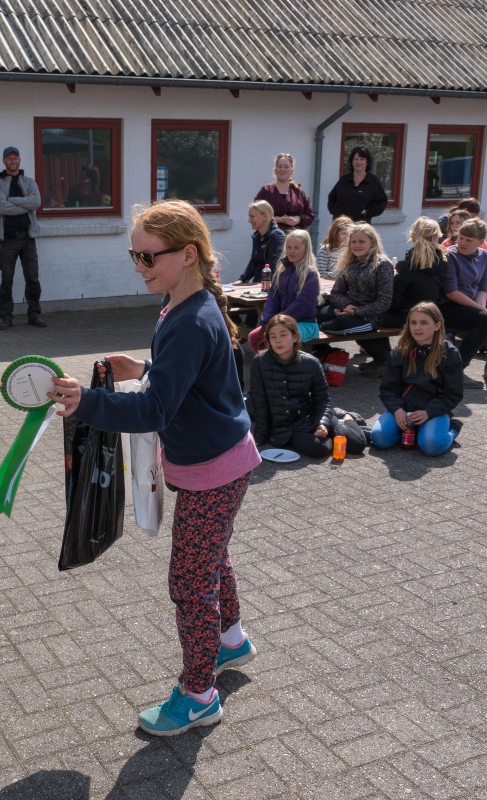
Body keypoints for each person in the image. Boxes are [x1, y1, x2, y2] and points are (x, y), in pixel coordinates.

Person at [48, 199, 260, 737]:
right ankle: (230, 642)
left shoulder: (190, 318)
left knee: (190, 582)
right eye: (134, 256)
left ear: (187, 255)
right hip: (218, 461)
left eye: (148, 257)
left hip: (214, 469)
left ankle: (199, 696)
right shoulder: (184, 304)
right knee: (212, 558)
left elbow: (154, 410)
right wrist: (145, 367)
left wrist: (86, 402)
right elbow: (189, 379)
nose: (139, 267)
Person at [248, 315, 364, 457]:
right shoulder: (259, 362)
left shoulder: (311, 363)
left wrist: (322, 423)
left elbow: (322, 398)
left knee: (357, 444)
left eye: (283, 335)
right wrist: (260, 434)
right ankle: (331, 427)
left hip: (309, 415)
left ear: (295, 337)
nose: (278, 340)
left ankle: (346, 416)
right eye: (273, 336)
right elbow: (259, 401)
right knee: (320, 448)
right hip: (283, 424)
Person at [370, 302, 464, 456]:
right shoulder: (400, 350)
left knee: (431, 446)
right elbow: (388, 388)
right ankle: (411, 432)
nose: (417, 328)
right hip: (403, 409)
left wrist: (429, 412)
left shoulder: (450, 353)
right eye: (413, 323)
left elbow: (452, 393)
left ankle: (453, 429)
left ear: (437, 325)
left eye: (424, 323)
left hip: (432, 411)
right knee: (379, 438)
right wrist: (397, 409)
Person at [441, 218, 487, 387]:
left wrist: (481, 308)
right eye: (461, 238)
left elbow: (482, 287)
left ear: (480, 242)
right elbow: (451, 292)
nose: (462, 243)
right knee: (485, 320)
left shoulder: (483, 256)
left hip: (472, 303)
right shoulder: (450, 255)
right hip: (449, 304)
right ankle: (456, 370)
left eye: (468, 240)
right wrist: (481, 311)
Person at [318, 222, 394, 376]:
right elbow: (336, 292)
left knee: (340, 323)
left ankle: (384, 361)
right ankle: (324, 352)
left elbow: (384, 301)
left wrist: (356, 312)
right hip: (349, 309)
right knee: (316, 314)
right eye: (353, 242)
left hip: (370, 316)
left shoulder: (382, 264)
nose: (357, 246)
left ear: (372, 242)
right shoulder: (349, 262)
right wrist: (346, 305)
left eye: (361, 241)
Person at [0, 145, 45, 329]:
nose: (12, 160)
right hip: (8, 239)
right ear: (4, 161)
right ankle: (6, 317)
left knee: (33, 277)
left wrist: (11, 200)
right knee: (7, 279)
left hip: (28, 237)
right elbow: (2, 208)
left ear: (19, 160)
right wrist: (25, 204)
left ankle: (34, 314)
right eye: (9, 158)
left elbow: (36, 202)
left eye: (15, 157)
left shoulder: (29, 182)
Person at [246, 229, 319, 352]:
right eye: (289, 247)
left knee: (279, 338)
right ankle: (265, 362)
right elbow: (272, 298)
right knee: (254, 336)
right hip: (280, 322)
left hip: (305, 323)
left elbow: (303, 304)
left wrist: (280, 322)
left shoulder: (310, 273)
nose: (292, 251)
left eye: (296, 248)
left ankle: (282, 363)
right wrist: (267, 321)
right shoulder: (282, 271)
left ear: (306, 249)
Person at [386, 217, 448, 329]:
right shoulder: (444, 262)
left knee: (373, 319)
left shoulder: (406, 266)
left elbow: (394, 301)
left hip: (409, 316)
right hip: (434, 313)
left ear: (413, 237)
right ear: (435, 237)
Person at [326, 145, 388, 224]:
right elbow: (332, 197)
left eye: (362, 159)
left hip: (361, 226)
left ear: (367, 162)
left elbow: (382, 202)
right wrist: (336, 212)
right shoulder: (344, 179)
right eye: (356, 159)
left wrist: (368, 212)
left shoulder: (373, 181)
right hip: (341, 225)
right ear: (352, 161)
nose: (359, 162)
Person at [254, 153, 315, 232]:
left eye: (286, 167)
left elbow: (309, 215)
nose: (282, 169)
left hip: (295, 237)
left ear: (292, 170)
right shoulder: (266, 191)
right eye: (279, 166)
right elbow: (255, 214)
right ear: (275, 170)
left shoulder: (299, 193)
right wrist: (278, 219)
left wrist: (298, 219)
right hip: (271, 236)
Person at [233, 200, 285, 284]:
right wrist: (241, 280)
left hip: (269, 286)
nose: (249, 221)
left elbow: (274, 266)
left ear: (265, 216)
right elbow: (253, 262)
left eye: (252, 216)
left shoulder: (277, 236)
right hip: (258, 284)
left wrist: (260, 286)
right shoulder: (257, 236)